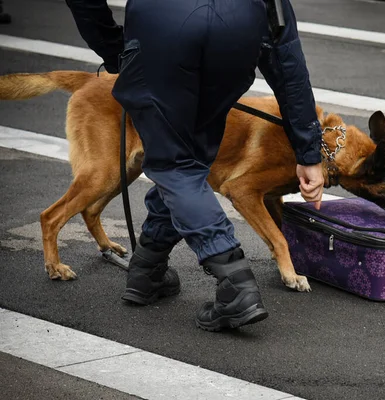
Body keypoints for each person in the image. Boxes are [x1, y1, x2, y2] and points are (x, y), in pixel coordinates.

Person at [65, 0, 324, 331]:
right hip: (241, 24)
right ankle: (148, 270)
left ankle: (236, 288)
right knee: (193, 154)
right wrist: (308, 152)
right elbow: (286, 57)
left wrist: (112, 47)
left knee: (175, 164)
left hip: (161, 21)